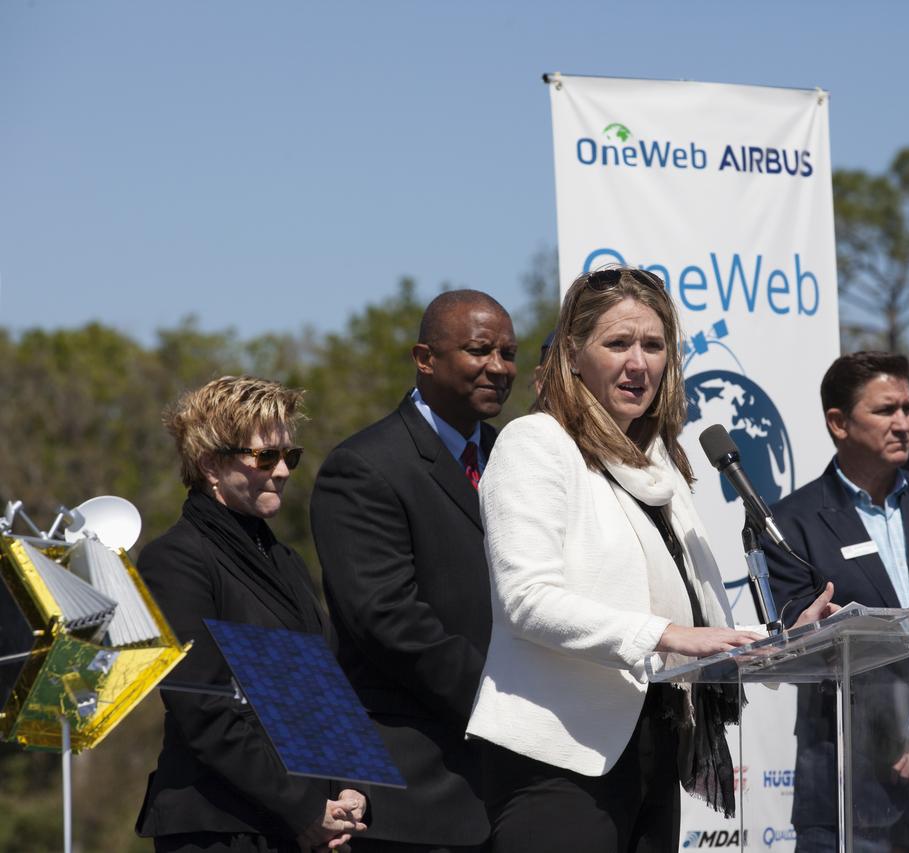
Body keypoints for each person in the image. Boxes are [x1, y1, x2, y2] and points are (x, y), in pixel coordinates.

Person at [465, 267, 836, 853]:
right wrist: (666, 635)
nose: (638, 362)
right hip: (561, 757)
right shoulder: (535, 443)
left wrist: (779, 640)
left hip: (656, 742)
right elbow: (525, 601)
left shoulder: (662, 464)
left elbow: (695, 618)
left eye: (654, 345)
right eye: (617, 343)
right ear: (573, 355)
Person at [763, 352, 909, 853]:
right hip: (847, 798)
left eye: (908, 409)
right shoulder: (790, 526)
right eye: (885, 410)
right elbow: (811, 651)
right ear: (839, 422)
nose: (903, 424)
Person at [311, 289, 517, 852]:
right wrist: (507, 699)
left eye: (509, 353)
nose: (499, 368)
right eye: (480, 350)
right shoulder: (365, 468)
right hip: (418, 790)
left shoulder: (517, 462)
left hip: (517, 782)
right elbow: (386, 618)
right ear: (425, 358)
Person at [136, 376, 367, 853]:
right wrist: (304, 810)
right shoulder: (175, 560)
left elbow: (322, 692)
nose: (282, 470)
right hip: (219, 828)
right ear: (210, 465)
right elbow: (203, 709)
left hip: (301, 829)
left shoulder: (285, 560)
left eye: (290, 456)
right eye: (265, 457)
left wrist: (348, 789)